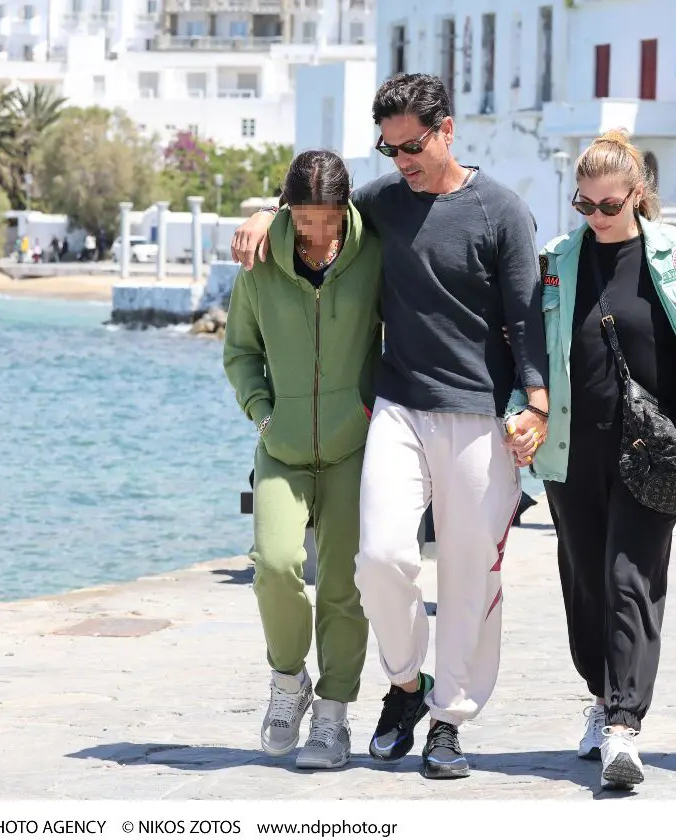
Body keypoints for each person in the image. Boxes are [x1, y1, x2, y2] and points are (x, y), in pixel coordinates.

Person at [230, 73, 549, 780]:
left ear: (447, 131)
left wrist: (536, 403)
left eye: (413, 146)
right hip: (398, 406)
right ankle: (407, 684)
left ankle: (449, 720)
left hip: (479, 412)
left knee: (469, 572)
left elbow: (527, 315)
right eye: (390, 148)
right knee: (378, 559)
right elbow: (319, 206)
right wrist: (265, 211)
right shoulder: (381, 203)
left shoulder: (501, 210)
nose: (402, 160)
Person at [505, 129, 676, 790]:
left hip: (652, 448)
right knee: (585, 585)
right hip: (572, 447)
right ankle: (602, 696)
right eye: (585, 205)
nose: (597, 216)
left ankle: (624, 726)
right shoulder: (557, 259)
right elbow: (529, 348)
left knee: (630, 576)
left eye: (609, 205)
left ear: (637, 194)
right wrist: (522, 410)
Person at [223, 149, 383, 770]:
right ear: (286, 210)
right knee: (275, 565)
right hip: (281, 447)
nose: (318, 233)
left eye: (329, 219)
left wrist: (368, 411)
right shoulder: (261, 262)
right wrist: (263, 413)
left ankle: (334, 715)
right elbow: (241, 352)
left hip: (352, 447)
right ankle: (288, 681)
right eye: (305, 219)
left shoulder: (373, 253)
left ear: (345, 208)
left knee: (343, 585)